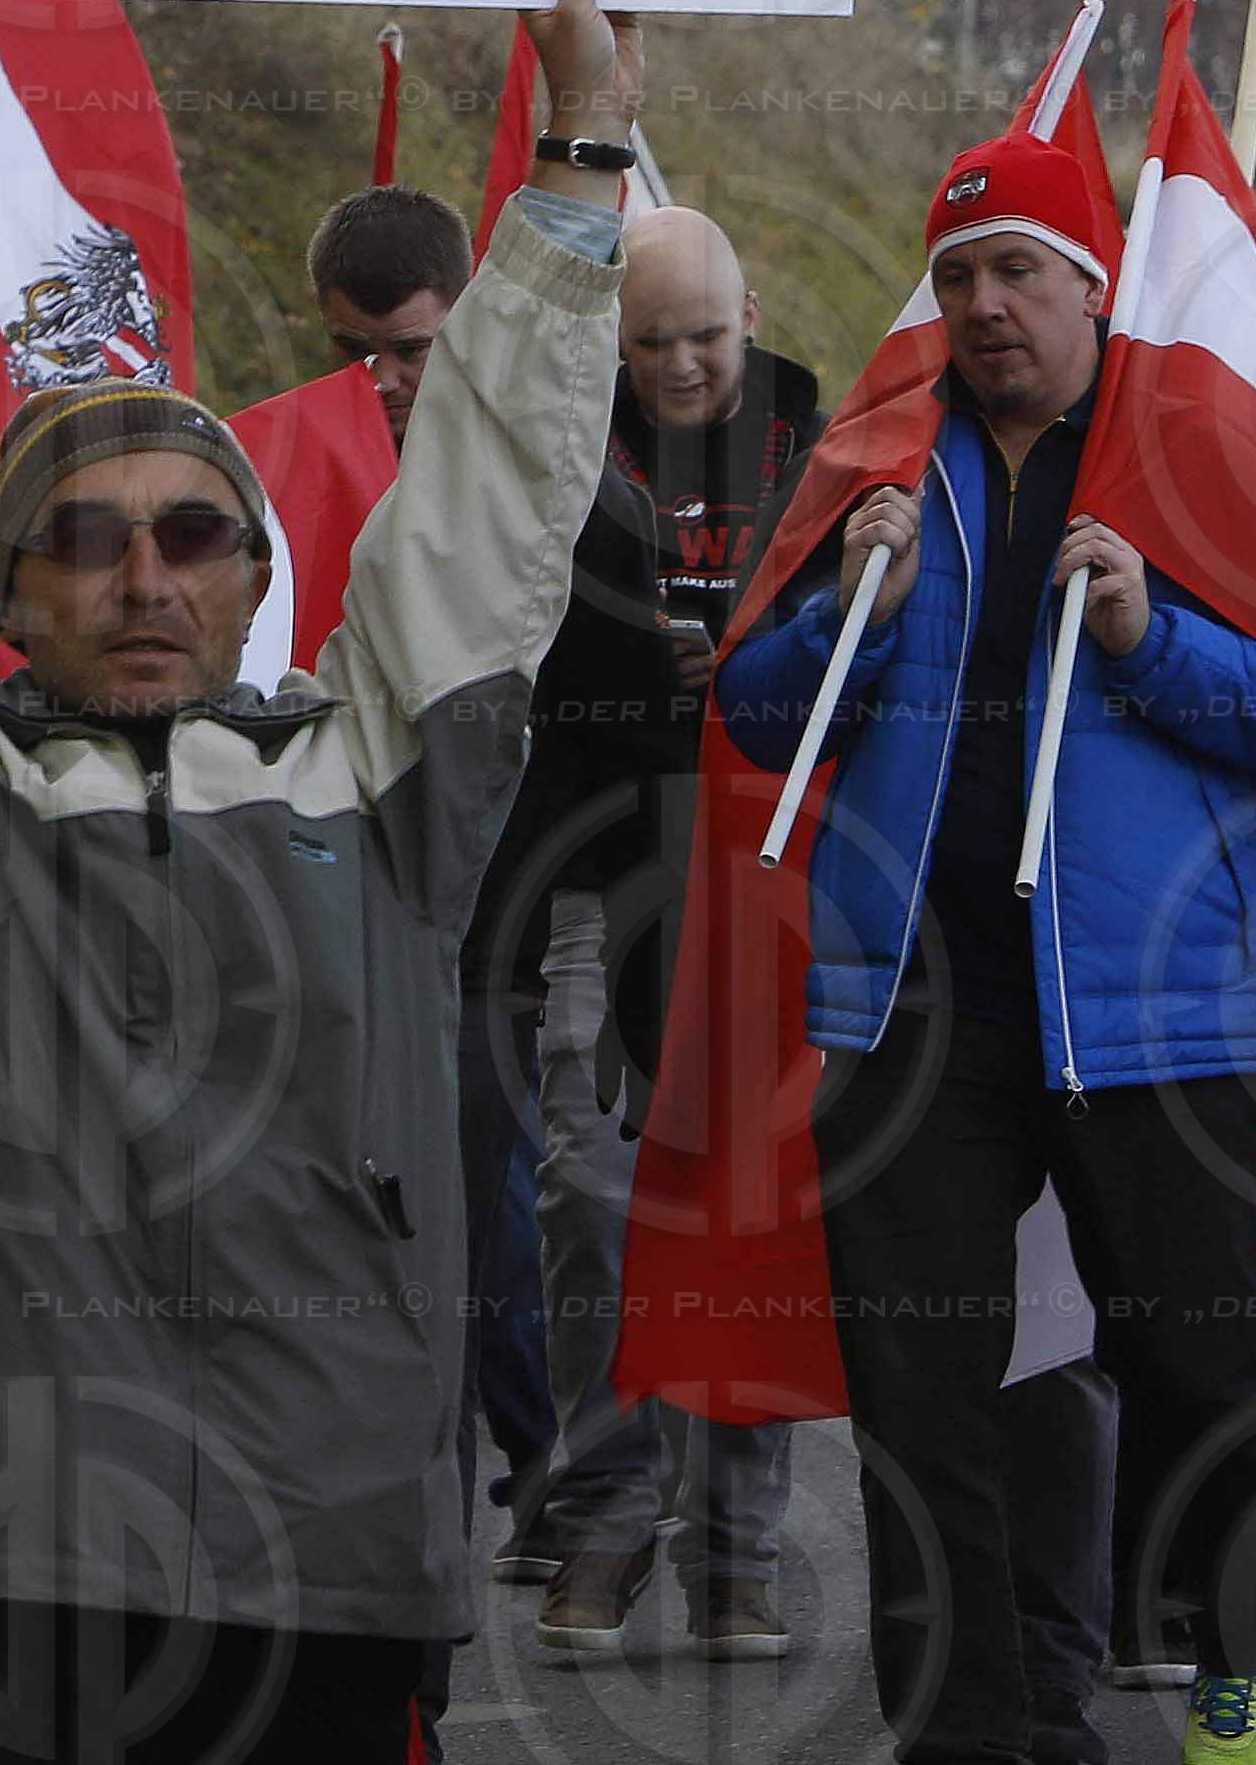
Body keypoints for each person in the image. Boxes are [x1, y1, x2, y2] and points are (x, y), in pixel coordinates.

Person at [0, 0, 641, 1764]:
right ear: (0, 592)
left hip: (321, 1559)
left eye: (192, 533)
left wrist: (577, 153)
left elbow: (494, 486)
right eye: (82, 538)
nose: (143, 574)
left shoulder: (378, 778)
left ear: (261, 575)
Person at [714, 121, 1256, 1765]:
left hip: (1154, 1004)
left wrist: (1152, 636)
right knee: (918, 1399)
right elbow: (747, 708)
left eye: (1015, 267)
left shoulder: (1195, 445)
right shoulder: (878, 456)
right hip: (912, 1011)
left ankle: (1231, 1666)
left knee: (1199, 1370)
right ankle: (968, 1727)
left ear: (1091, 283)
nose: (982, 302)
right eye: (956, 274)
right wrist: (832, 614)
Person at [473, 205, 817, 1661]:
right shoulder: (564, 454)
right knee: (592, 1208)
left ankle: (735, 1553)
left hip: (763, 881)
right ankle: (603, 1517)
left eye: (708, 339)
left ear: (750, 320)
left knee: (741, 1216)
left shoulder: (830, 451)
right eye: (654, 343)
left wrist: (758, 641)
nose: (682, 368)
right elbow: (510, 671)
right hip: (597, 867)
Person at [314, 184, 561, 1582]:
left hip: (522, 925)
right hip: (354, 910)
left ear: (464, 320)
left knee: (491, 1213)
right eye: (358, 349)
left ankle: (539, 1470)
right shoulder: (298, 467)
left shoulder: (537, 478)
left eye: (411, 348)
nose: (385, 380)